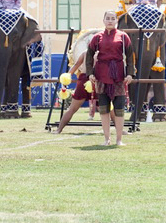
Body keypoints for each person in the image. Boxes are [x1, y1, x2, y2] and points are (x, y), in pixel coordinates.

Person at [86, 10, 134, 145]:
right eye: (107, 18)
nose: (110, 21)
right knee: (103, 109)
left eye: (113, 18)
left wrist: (130, 73)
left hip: (118, 76)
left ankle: (119, 139)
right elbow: (89, 55)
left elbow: (130, 56)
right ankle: (106, 139)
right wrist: (90, 73)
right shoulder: (97, 37)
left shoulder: (123, 37)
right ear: (103, 20)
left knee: (119, 109)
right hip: (101, 75)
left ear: (116, 21)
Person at [55, 33, 100, 133]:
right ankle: (59, 129)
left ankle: (59, 129)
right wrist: (67, 77)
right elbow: (76, 65)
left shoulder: (92, 53)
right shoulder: (86, 53)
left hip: (97, 80)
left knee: (106, 108)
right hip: (86, 80)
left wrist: (68, 75)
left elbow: (75, 66)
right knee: (72, 108)